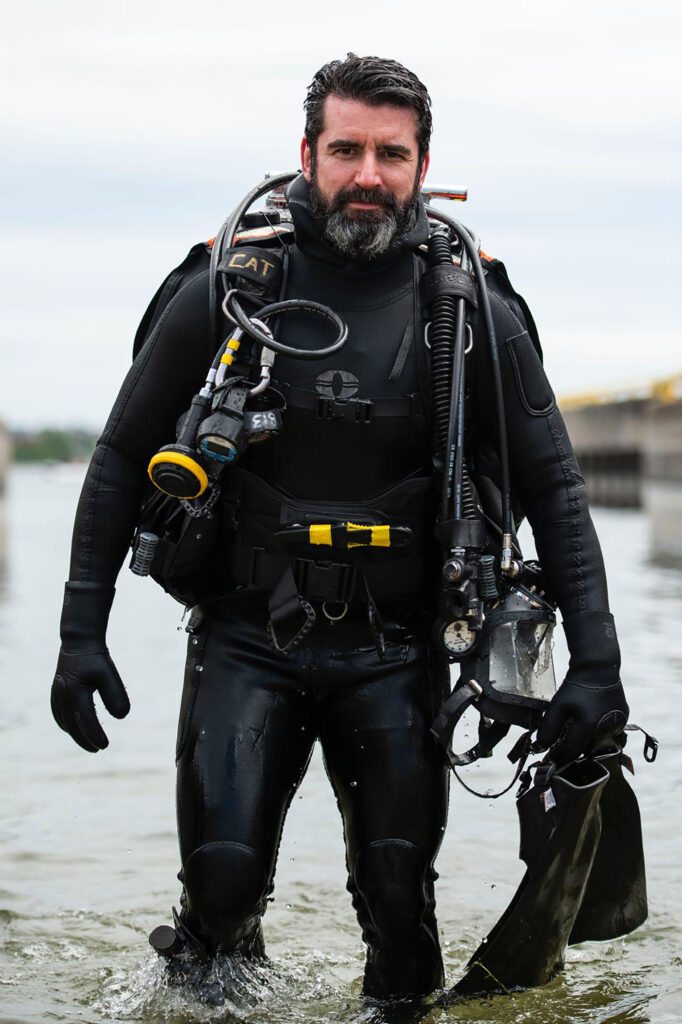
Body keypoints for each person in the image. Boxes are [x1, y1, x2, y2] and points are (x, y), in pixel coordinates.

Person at [50, 54, 628, 1001]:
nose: (369, 173)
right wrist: (81, 633)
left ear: (422, 162)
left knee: (402, 908)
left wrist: (598, 667)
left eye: (390, 154)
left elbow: (556, 488)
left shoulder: (476, 310)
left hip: (398, 651)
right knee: (223, 883)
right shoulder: (229, 289)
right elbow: (119, 460)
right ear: (308, 154)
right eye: (348, 149)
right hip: (246, 640)